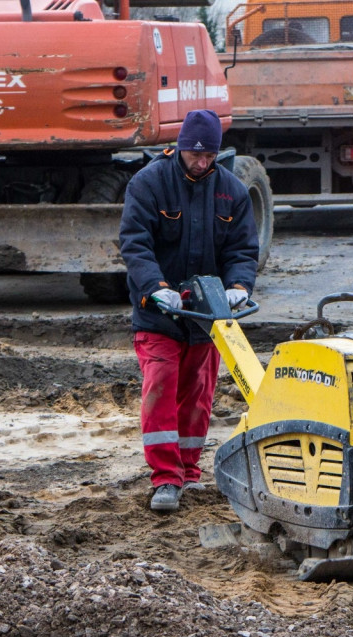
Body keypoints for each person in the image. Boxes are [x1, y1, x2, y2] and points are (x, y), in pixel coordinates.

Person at [118, 109, 259, 512]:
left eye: (208, 156)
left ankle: (189, 471)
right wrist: (156, 288)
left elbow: (242, 250)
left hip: (206, 317)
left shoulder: (231, 191)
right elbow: (135, 243)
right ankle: (165, 478)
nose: (201, 162)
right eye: (194, 155)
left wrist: (237, 288)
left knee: (197, 395)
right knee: (161, 387)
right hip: (158, 314)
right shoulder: (149, 184)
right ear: (180, 148)